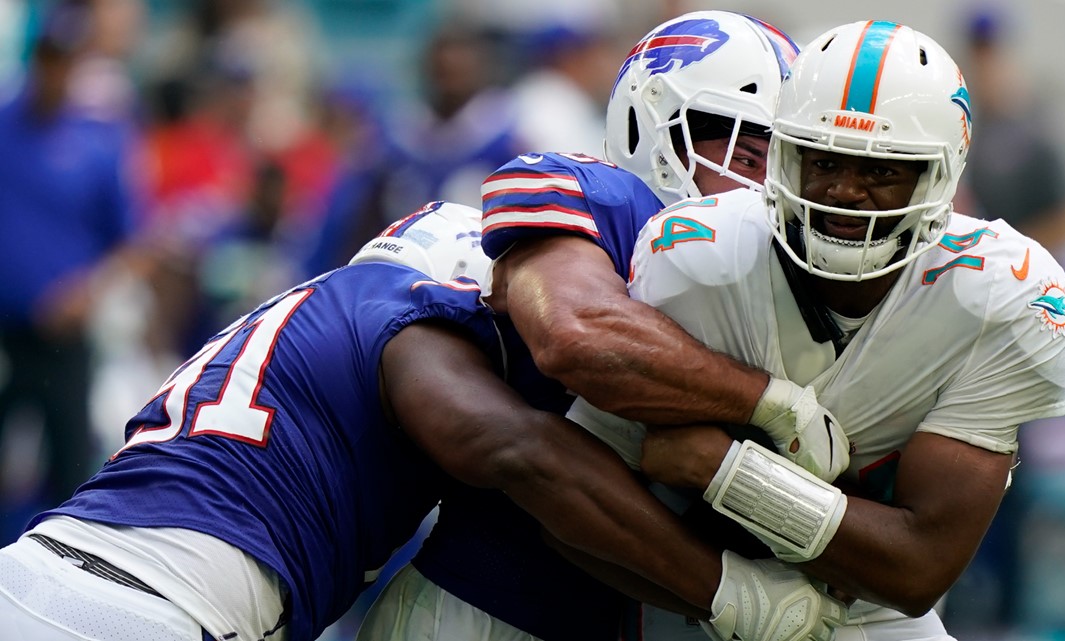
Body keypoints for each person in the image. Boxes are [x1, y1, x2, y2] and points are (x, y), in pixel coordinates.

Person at [0, 202, 838, 641]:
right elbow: (523, 451)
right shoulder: (408, 321)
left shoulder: (308, 314)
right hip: (157, 610)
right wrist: (729, 591)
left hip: (37, 568)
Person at [566, 20, 1065, 641]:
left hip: (873, 610)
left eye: (883, 171)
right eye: (824, 160)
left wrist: (726, 468)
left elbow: (917, 572)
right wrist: (730, 593)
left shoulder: (997, 294)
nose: (844, 192)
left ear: (938, 178)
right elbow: (576, 490)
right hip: (690, 591)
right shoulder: (696, 256)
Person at [360, 10, 847, 641]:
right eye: (742, 150)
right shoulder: (606, 203)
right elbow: (578, 337)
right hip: (478, 610)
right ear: (652, 122)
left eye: (778, 159)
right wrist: (774, 404)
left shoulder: (774, 277)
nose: (759, 183)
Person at [0, 0, 143, 534]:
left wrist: (85, 293)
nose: (55, 72)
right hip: (4, 331)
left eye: (66, 60)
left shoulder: (97, 141)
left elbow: (130, 242)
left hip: (64, 336)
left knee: (65, 467)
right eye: (47, 57)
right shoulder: (4, 127)